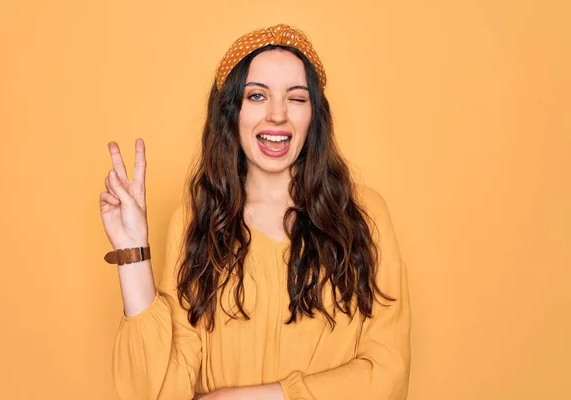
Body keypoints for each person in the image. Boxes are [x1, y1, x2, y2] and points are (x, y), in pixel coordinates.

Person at [99, 23, 411, 400]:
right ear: (232, 112)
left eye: (296, 98)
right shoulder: (196, 221)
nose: (277, 115)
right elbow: (159, 390)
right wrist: (132, 253)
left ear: (314, 116)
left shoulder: (363, 215)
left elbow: (387, 376)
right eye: (257, 96)